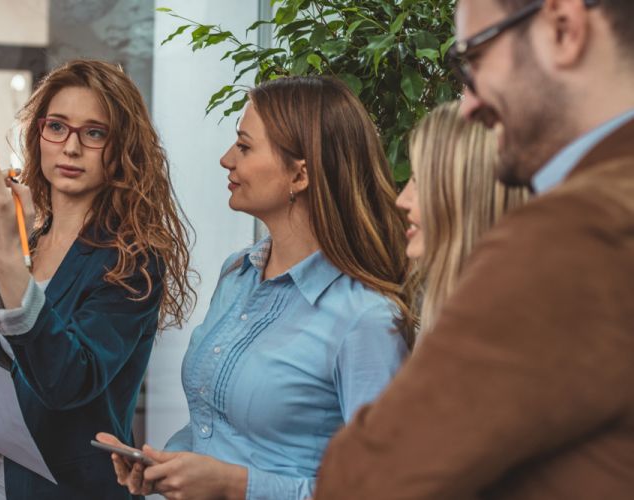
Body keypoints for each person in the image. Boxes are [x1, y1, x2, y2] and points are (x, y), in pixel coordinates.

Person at [315, 0, 634, 498]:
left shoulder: (572, 234)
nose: (468, 104)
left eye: (474, 60)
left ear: (565, 29)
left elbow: (363, 479)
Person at [97, 75, 414, 499]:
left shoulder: (366, 320)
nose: (228, 159)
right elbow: (213, 428)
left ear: (299, 175)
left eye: (244, 147)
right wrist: (165, 464)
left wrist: (236, 486)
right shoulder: (238, 274)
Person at [0, 59, 194, 500]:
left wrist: (6, 257)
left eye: (94, 133)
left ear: (120, 149)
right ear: (39, 135)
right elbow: (17, 377)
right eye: (57, 127)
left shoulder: (132, 259)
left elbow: (67, 380)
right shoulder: (35, 237)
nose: (70, 147)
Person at [396, 100, 527, 338]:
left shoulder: (505, 343)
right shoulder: (432, 306)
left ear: (465, 197)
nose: (401, 200)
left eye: (418, 181)